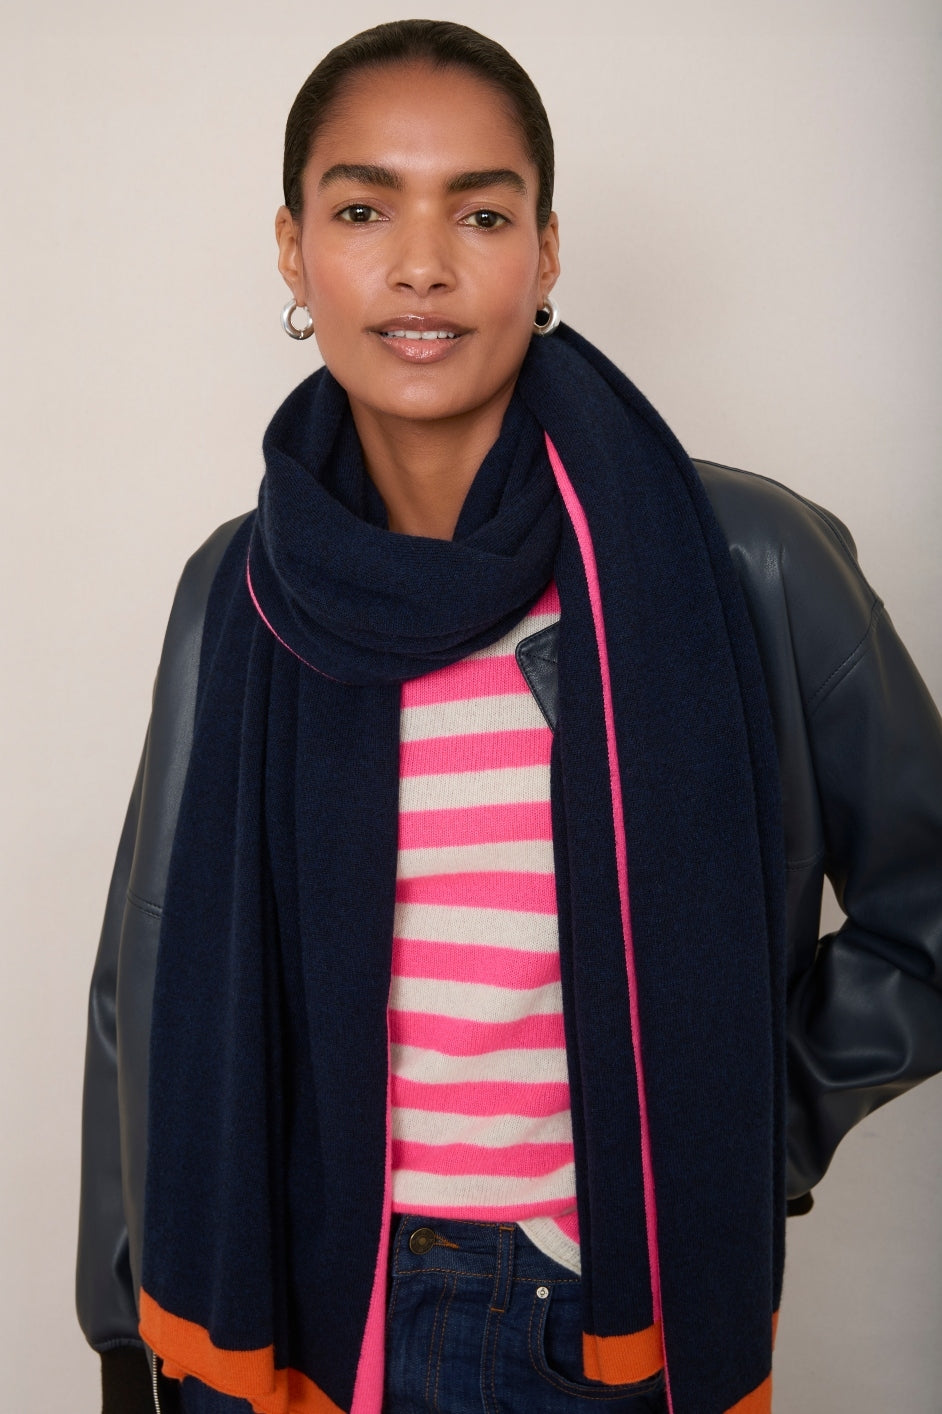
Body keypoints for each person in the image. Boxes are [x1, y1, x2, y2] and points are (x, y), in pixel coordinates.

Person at [75, 19, 942, 1414]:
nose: (421, 263)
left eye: (480, 213)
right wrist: (129, 1328)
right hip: (295, 1305)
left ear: (543, 254)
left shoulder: (738, 560)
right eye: (363, 210)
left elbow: (929, 902)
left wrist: (734, 1130)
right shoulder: (236, 593)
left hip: (593, 1322)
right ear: (294, 251)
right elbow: (147, 973)